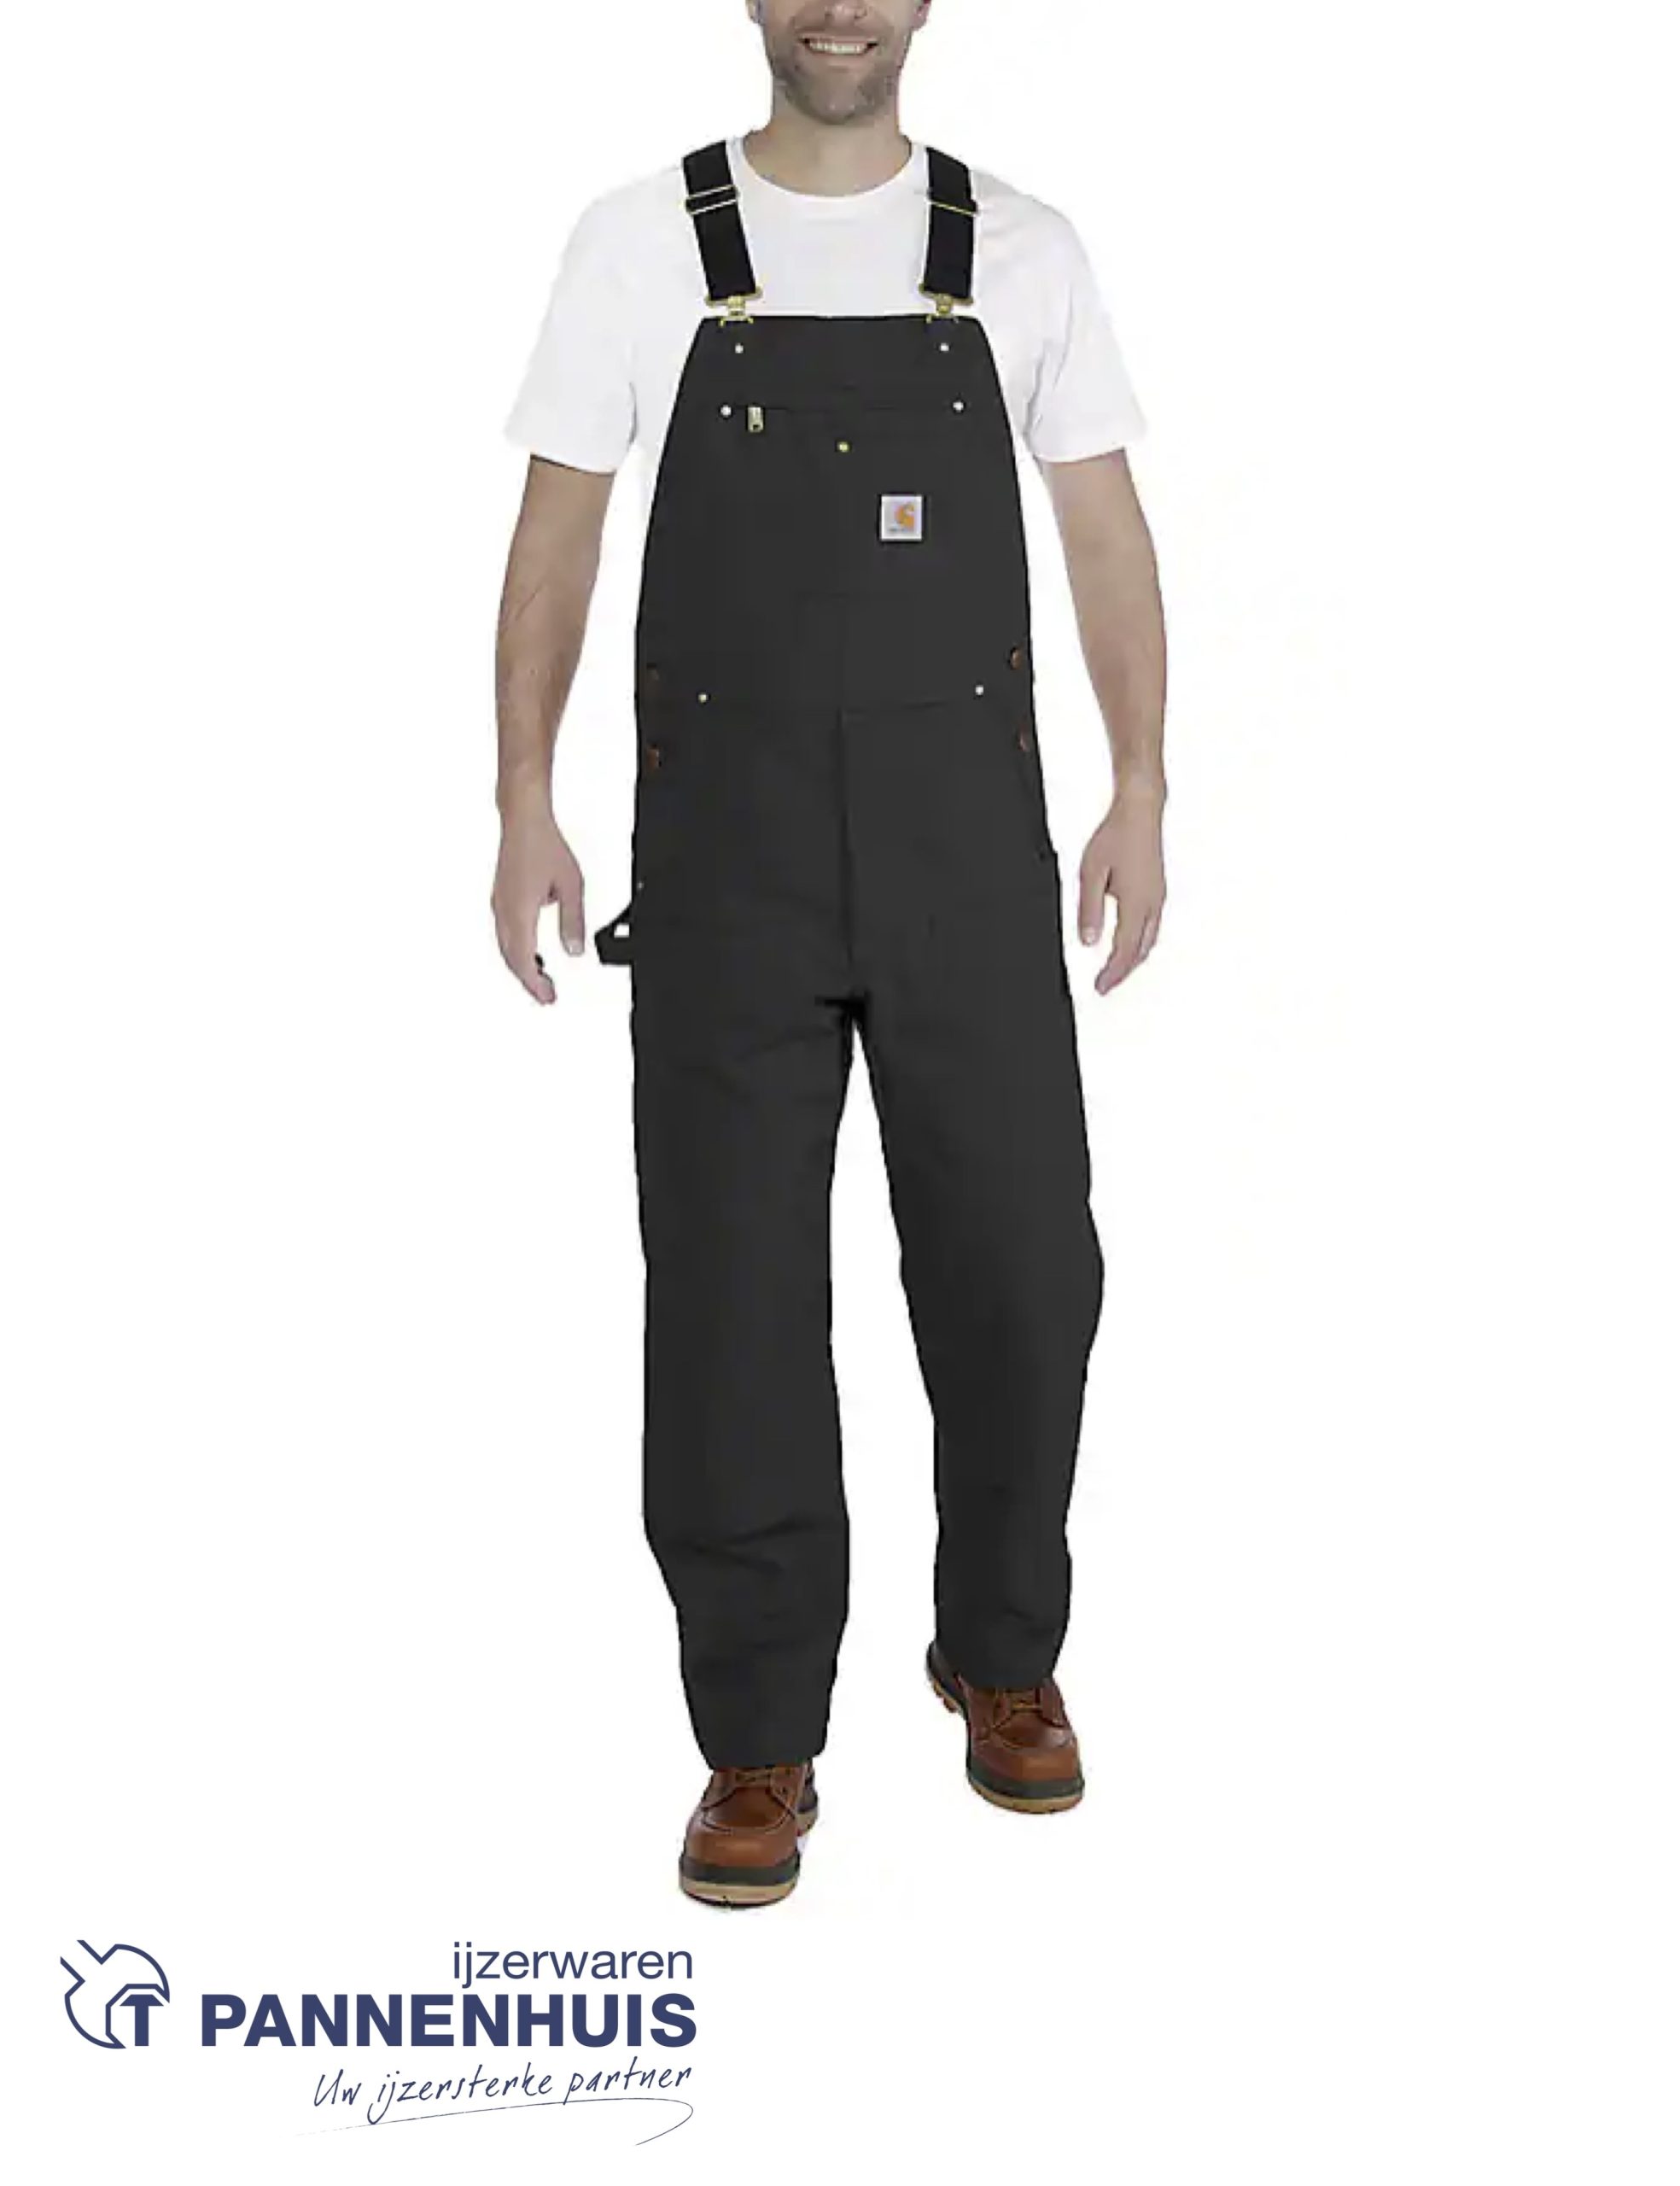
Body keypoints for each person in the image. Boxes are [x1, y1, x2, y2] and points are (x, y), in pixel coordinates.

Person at [492, 0, 1167, 1907]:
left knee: (1024, 1275)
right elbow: (554, 541)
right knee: (729, 1307)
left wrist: (1139, 786)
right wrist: (523, 798)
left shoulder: (1019, 247)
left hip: (969, 866)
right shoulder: (640, 243)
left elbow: (1105, 538)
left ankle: (1000, 1646)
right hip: (730, 868)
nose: (841, 8)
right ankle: (757, 1737)